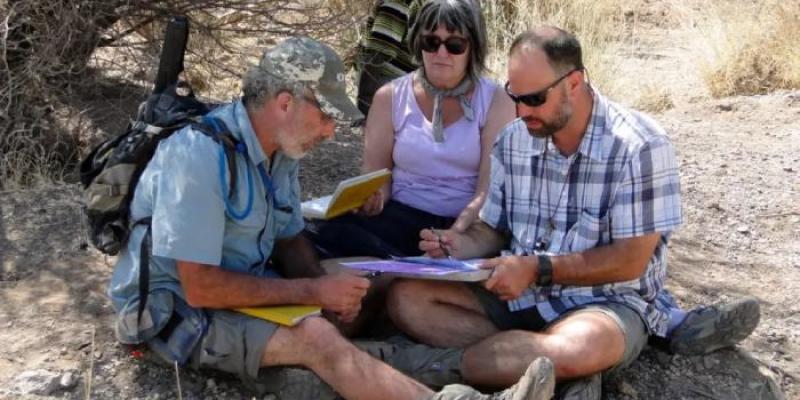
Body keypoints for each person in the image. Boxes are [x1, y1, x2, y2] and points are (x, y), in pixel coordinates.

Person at [106, 36, 558, 400]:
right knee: (317, 336)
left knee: (371, 282)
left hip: (239, 285)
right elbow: (200, 286)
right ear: (285, 102)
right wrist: (313, 292)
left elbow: (289, 239)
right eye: (325, 115)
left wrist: (331, 289)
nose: (329, 131)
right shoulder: (199, 156)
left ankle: (398, 372)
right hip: (175, 313)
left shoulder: (276, 152)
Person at [385, 27, 761, 399]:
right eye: (515, 97)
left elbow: (630, 261)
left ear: (575, 83)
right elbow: (492, 231)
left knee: (579, 348)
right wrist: (459, 245)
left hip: (605, 302)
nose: (521, 111)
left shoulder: (640, 145)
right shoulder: (514, 139)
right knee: (407, 300)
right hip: (520, 293)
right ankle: (560, 376)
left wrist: (539, 268)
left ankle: (435, 369)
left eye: (534, 98)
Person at [309, 0, 517, 259]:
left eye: (454, 45)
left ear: (473, 48)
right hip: (402, 214)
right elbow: (376, 175)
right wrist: (375, 199)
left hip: (468, 225)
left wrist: (455, 233)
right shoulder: (390, 97)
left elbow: (488, 190)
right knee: (320, 238)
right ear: (418, 44)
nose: (441, 54)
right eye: (431, 43)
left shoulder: (497, 101)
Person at [356, 0, 423, 116]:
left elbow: (377, 55)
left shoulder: (401, 3)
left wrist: (363, 108)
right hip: (405, 91)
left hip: (384, 87)